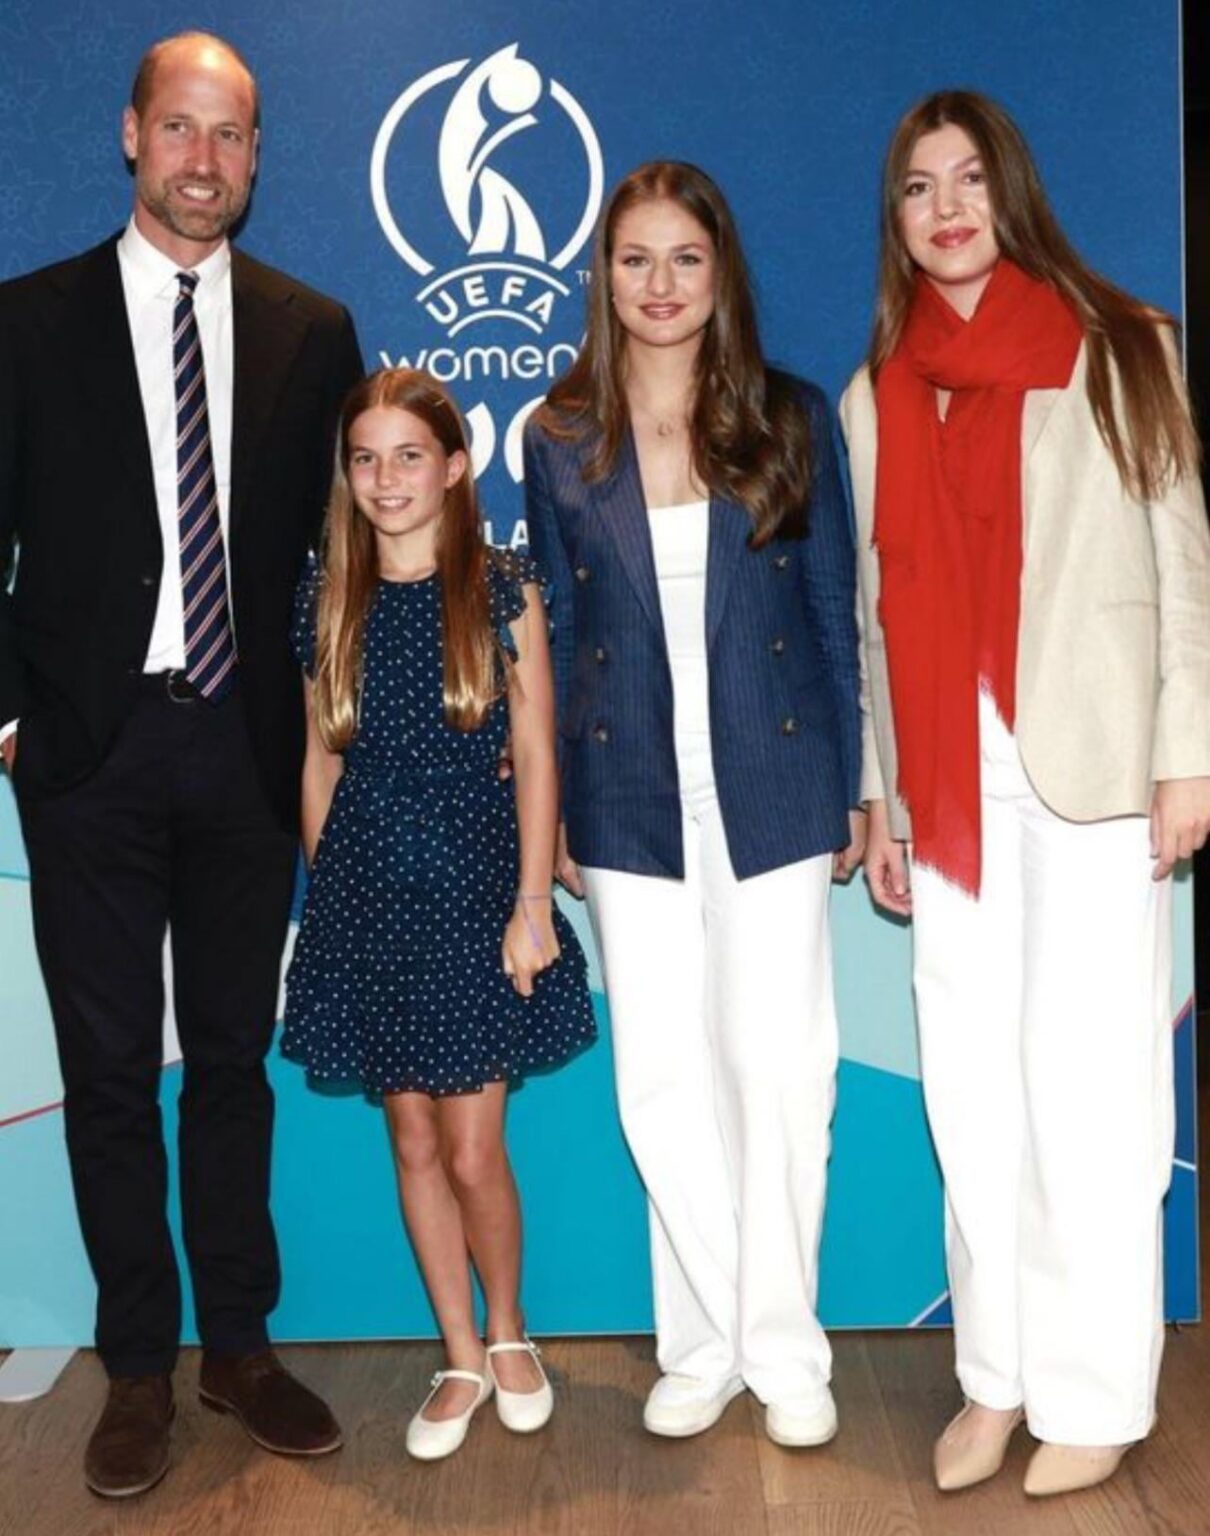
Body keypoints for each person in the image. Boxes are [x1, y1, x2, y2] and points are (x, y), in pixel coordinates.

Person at [0, 32, 363, 1497]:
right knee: (102, 1077)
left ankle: (241, 1346)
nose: (203, 158)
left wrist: (330, 722)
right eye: (178, 129)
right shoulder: (25, 324)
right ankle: (136, 1368)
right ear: (131, 137)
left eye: (231, 135)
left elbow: (341, 554)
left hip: (244, 747)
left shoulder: (310, 327)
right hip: (84, 757)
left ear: (257, 155)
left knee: (230, 1065)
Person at [841, 90, 1210, 1497]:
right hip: (945, 774)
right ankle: (992, 1373)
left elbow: (1180, 563)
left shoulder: (1121, 347)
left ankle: (1095, 1388)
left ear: (1011, 193)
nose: (943, 206)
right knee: (975, 1091)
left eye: (968, 179)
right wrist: (879, 793)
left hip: (1095, 771)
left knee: (1094, 1087)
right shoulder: (881, 387)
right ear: (895, 221)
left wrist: (1186, 753)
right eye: (917, 187)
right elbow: (875, 610)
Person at [524, 162, 864, 1448]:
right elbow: (547, 636)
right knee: (660, 1075)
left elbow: (833, 608)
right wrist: (544, 809)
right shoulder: (557, 440)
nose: (658, 285)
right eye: (633, 259)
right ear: (602, 277)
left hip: (776, 778)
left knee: (777, 1068)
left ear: (721, 277)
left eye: (684, 259)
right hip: (623, 791)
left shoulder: (790, 417)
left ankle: (783, 1349)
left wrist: (857, 787)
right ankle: (704, 1342)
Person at [282, 368, 596, 1462]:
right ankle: (458, 1351)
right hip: (367, 901)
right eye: (365, 458)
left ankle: (513, 1333)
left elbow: (539, 750)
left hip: (478, 897)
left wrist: (530, 906)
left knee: (472, 1149)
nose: (385, 478)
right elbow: (318, 764)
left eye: (408, 455)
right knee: (410, 1137)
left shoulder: (501, 588)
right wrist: (332, 905)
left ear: (455, 466)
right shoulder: (326, 591)